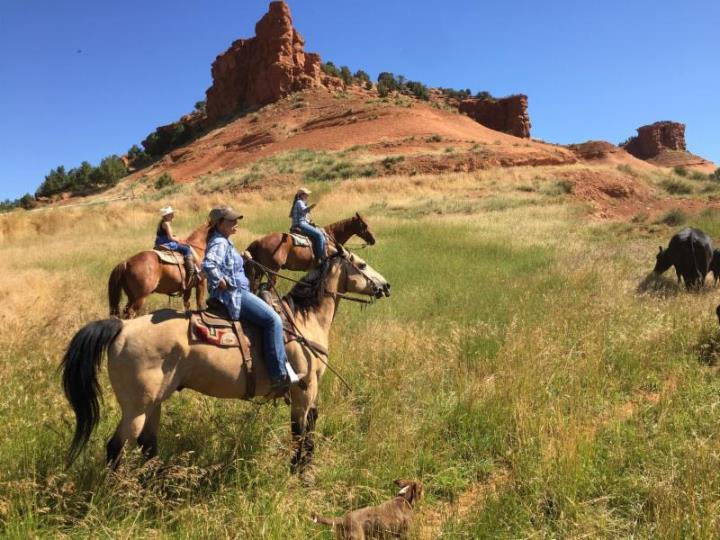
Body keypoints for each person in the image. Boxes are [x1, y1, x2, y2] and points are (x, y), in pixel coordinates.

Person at [202, 207, 296, 395]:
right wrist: (220, 281)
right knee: (273, 320)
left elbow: (226, 264)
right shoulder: (219, 242)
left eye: (236, 220)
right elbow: (208, 264)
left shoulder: (225, 241)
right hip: (233, 294)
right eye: (230, 221)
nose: (236, 223)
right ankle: (278, 375)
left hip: (237, 290)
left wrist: (242, 258)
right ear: (219, 223)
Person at [155, 206, 196, 286]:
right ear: (166, 216)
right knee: (187, 249)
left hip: (160, 242)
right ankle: (191, 272)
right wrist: (180, 240)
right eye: (171, 214)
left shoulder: (162, 222)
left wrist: (177, 238)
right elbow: (170, 237)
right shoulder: (167, 224)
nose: (173, 215)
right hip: (166, 243)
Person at [290, 187, 326, 263]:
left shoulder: (301, 202)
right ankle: (320, 258)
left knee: (320, 232)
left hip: (303, 223)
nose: (307, 196)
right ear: (302, 195)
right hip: (300, 224)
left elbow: (304, 216)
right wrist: (310, 207)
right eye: (306, 194)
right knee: (319, 235)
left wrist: (311, 223)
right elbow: (303, 211)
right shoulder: (300, 202)